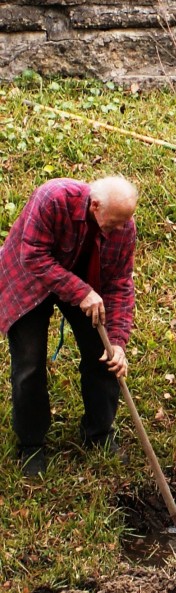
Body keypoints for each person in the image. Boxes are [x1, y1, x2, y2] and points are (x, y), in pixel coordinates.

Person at [0, 176, 138, 477]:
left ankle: (99, 432)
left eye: (123, 223)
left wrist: (117, 341)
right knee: (29, 363)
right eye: (112, 223)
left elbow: (120, 284)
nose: (118, 229)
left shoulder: (123, 225)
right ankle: (31, 444)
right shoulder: (53, 198)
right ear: (95, 205)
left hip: (85, 280)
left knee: (104, 356)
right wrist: (81, 292)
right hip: (30, 277)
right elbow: (33, 255)